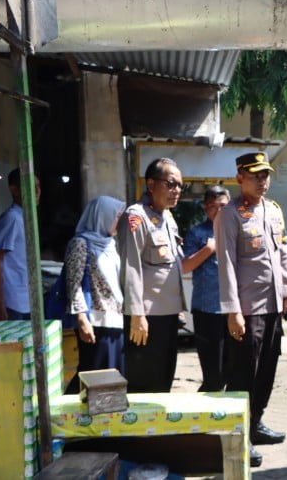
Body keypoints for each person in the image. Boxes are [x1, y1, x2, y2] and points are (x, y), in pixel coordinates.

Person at [215, 151, 287, 468]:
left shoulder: (274, 210)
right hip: (247, 309)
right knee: (243, 373)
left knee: (267, 369)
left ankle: (257, 422)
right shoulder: (230, 214)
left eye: (266, 175)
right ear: (240, 179)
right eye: (255, 175)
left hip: (274, 305)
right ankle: (240, 435)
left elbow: (283, 253)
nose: (262, 180)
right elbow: (227, 265)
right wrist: (232, 310)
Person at [118, 157, 186, 393]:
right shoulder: (136, 216)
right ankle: (139, 431)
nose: (176, 190)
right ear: (150, 184)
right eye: (170, 183)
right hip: (146, 318)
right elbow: (131, 266)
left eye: (179, 185)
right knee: (143, 381)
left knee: (164, 378)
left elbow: (172, 265)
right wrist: (137, 315)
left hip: (167, 315)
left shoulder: (167, 217)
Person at [64, 196, 127, 394]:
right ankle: (73, 417)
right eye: (117, 216)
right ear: (102, 216)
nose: (120, 220)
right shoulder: (81, 244)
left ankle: (107, 421)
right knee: (93, 375)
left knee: (113, 377)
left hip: (116, 321)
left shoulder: (110, 244)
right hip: (95, 323)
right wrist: (82, 319)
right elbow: (73, 284)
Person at [182, 186, 230, 392]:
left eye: (223, 206)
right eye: (212, 207)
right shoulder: (197, 233)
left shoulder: (236, 229)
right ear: (204, 207)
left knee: (231, 370)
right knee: (213, 374)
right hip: (207, 309)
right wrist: (208, 249)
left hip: (235, 309)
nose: (218, 211)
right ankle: (204, 418)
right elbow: (184, 266)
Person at [0, 168, 41, 320]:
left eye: (38, 186)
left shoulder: (25, 217)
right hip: (12, 301)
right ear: (14, 190)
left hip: (26, 299)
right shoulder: (12, 218)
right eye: (32, 186)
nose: (37, 190)